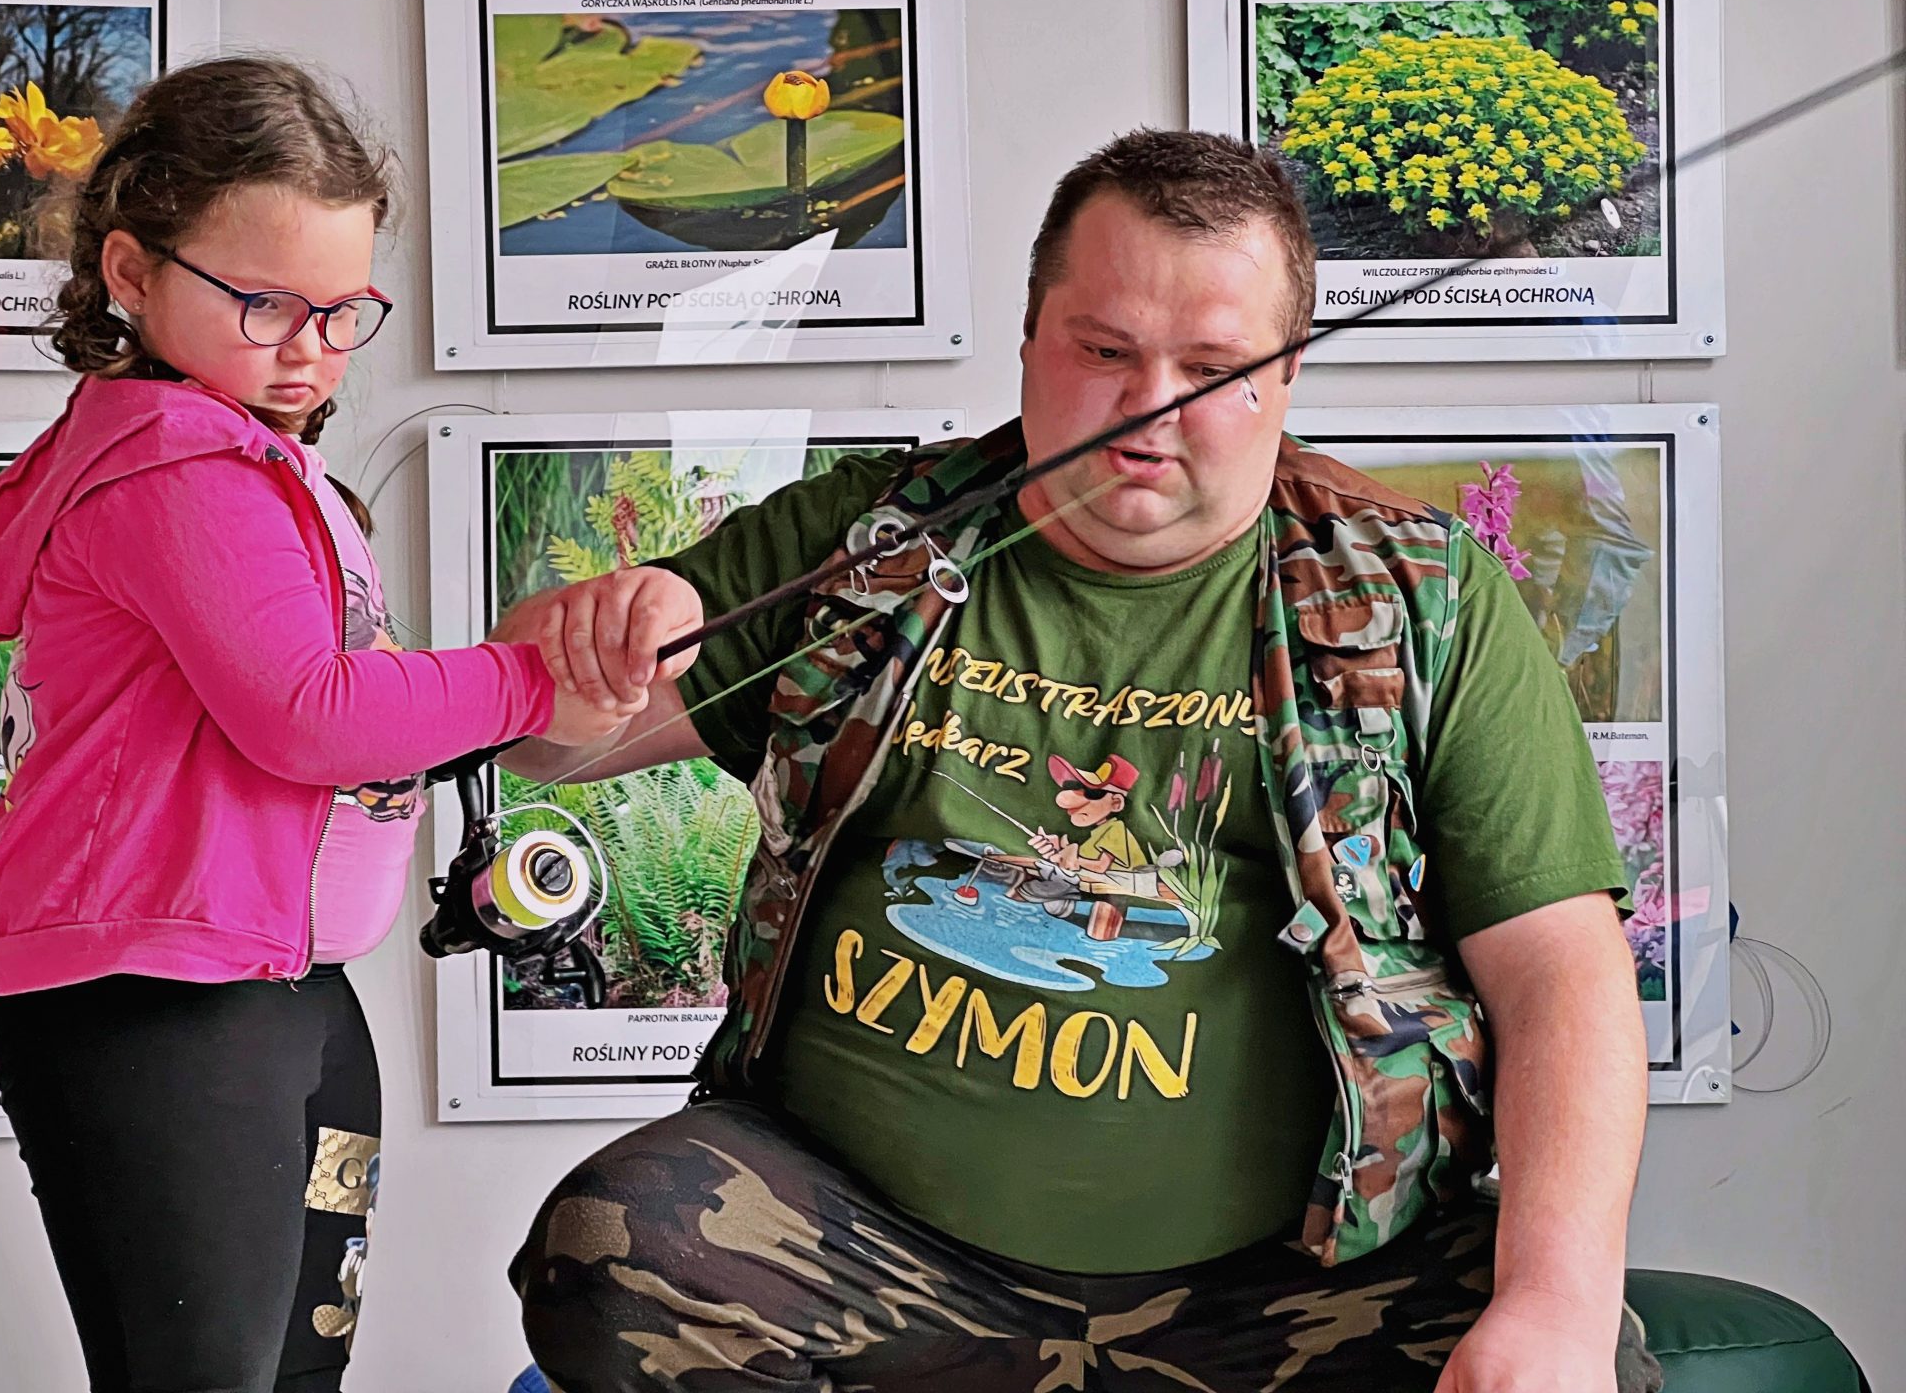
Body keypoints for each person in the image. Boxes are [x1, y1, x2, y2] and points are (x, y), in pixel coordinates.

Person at [495, 129, 1659, 1393]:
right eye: (1106, 351)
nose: (1151, 407)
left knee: (1575, 1342)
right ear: (1031, 338)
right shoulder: (870, 542)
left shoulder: (1424, 595)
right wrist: (590, 642)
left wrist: (1555, 1305)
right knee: (618, 1248)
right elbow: (548, 743)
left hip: (1288, 1290)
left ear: (1286, 372)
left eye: (1210, 367)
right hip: (875, 1268)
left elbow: (1559, 970)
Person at [0, 57, 694, 1393]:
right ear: (132, 272)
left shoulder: (248, 460)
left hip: (279, 986)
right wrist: (526, 682)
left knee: (295, 1369)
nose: (310, 346)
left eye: (342, 310)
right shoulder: (176, 465)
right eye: (265, 303)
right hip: (164, 1000)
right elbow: (307, 715)